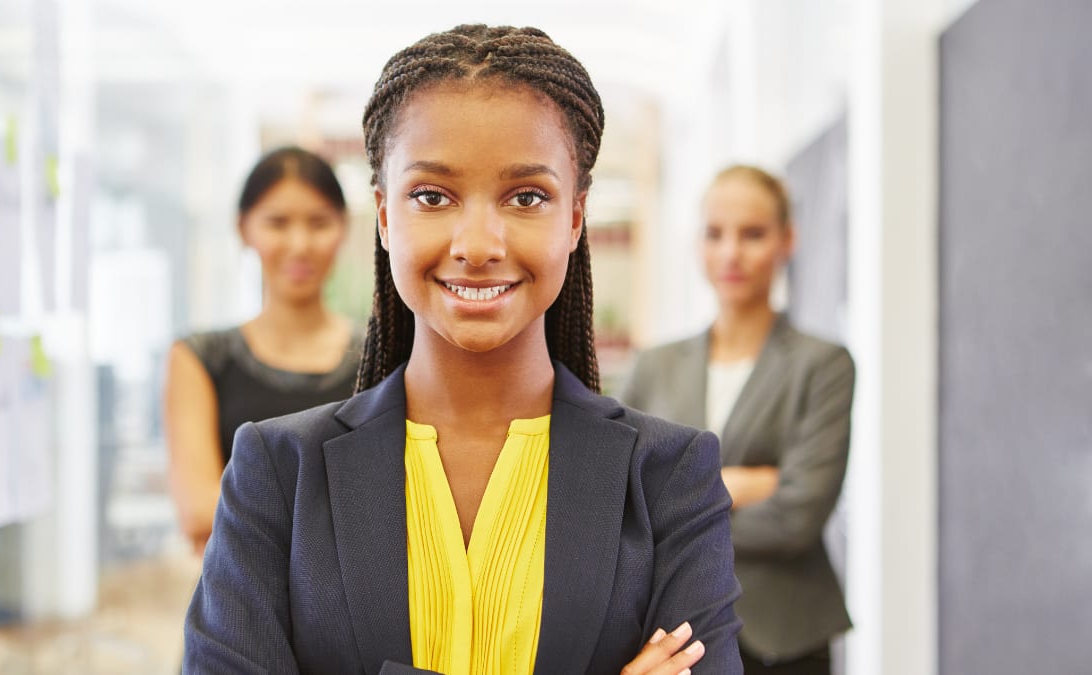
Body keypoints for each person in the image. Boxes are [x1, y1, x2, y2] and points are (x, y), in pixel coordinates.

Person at [184, 25, 742, 674]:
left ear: (575, 217)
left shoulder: (669, 477)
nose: (478, 243)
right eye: (432, 196)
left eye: (526, 196)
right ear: (386, 215)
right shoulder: (278, 472)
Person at [618, 165, 855, 674]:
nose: (731, 253)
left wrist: (680, 510)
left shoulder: (823, 365)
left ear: (787, 240)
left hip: (784, 638)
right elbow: (619, 501)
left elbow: (798, 516)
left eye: (753, 234)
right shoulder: (653, 366)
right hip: (671, 641)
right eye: (715, 234)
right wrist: (741, 485)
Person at [164, 147, 362, 555]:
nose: (299, 244)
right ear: (244, 229)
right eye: (277, 223)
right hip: (240, 608)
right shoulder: (201, 358)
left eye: (318, 222)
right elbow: (199, 511)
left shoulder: (382, 355)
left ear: (342, 228)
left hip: (358, 616)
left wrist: (246, 512)